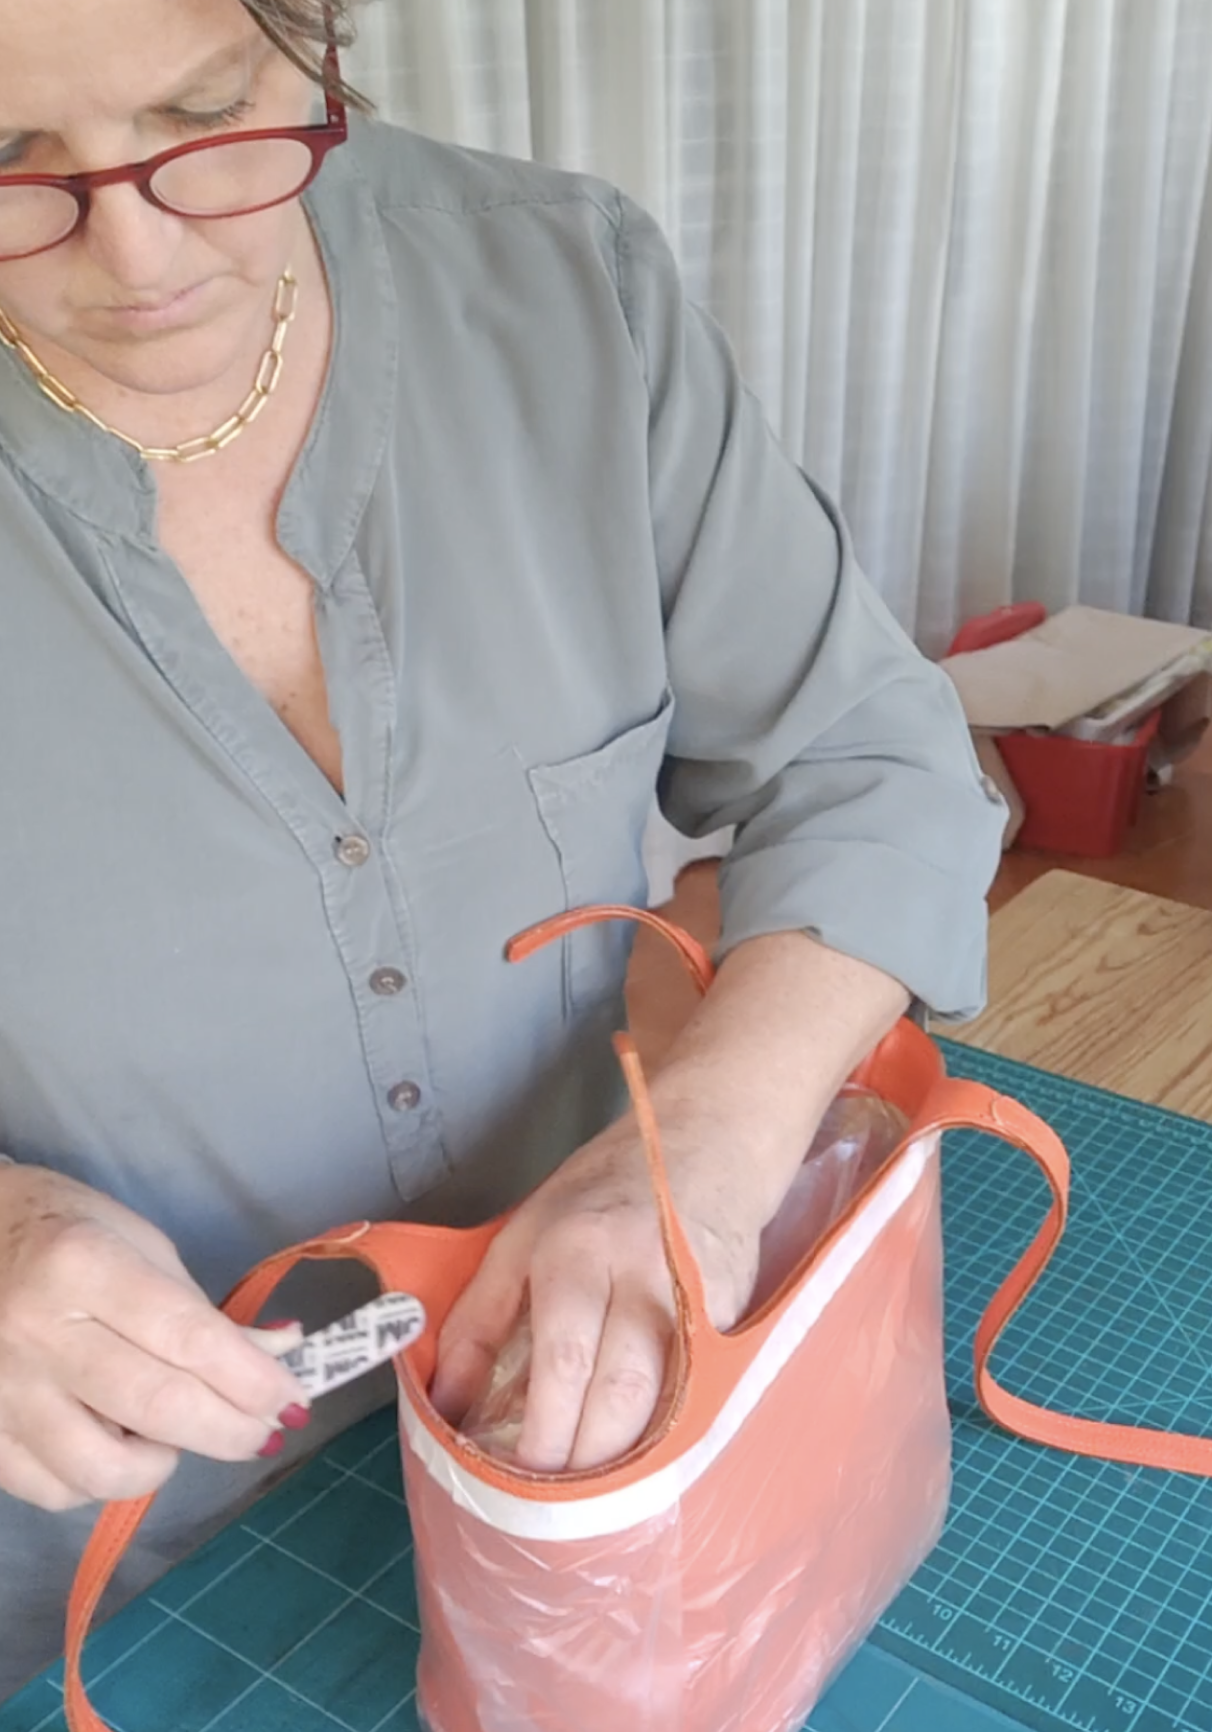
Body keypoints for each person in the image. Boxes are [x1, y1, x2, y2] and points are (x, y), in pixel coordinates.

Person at [0, 0, 1006, 1698]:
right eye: (13, 165)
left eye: (205, 111)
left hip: (581, 1414)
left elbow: (868, 755)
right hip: (110, 1533)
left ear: (312, 43)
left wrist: (687, 1160)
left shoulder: (559, 292)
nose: (136, 251)